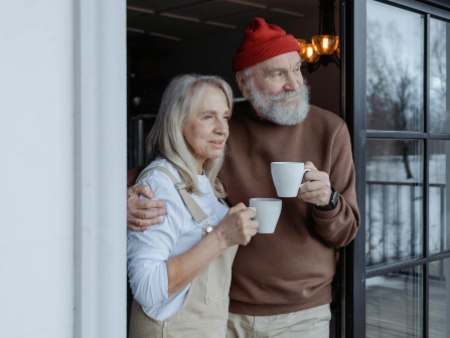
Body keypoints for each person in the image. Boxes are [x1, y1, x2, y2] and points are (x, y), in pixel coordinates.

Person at [128, 18, 360, 338]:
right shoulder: (221, 133)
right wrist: (124, 197)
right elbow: (165, 171)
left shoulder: (330, 130)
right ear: (245, 83)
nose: (294, 83)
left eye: (296, 69)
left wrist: (328, 201)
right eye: (278, 74)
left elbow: (346, 232)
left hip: (302, 315)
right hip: (223, 311)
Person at [127, 74, 259, 338]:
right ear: (179, 122)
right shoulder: (160, 185)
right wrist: (222, 237)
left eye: (225, 116)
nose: (223, 129)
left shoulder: (204, 182)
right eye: (208, 116)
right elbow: (148, 288)